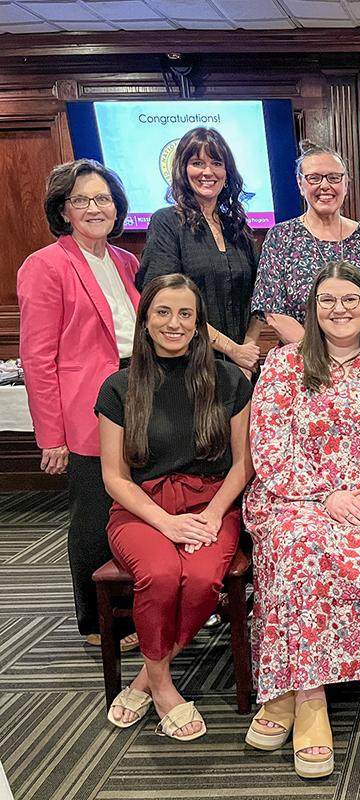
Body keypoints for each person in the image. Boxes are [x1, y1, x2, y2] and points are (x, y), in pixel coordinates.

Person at [243, 262, 360, 780]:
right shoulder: (283, 364)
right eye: (327, 300)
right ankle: (310, 697)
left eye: (350, 299)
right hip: (297, 496)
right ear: (312, 307)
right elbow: (269, 448)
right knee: (300, 549)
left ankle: (292, 689)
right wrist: (326, 495)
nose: (339, 309)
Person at [97, 274, 253, 742]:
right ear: (144, 321)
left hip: (212, 504)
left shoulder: (229, 381)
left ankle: (145, 677)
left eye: (187, 313)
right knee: (162, 575)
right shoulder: (119, 387)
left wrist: (211, 515)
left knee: (204, 577)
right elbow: (114, 477)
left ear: (200, 323)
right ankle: (164, 688)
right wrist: (165, 522)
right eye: (163, 312)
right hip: (142, 509)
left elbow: (244, 463)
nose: (175, 322)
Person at [17, 159, 140, 652]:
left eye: (104, 199)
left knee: (134, 504)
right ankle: (97, 621)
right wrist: (51, 436)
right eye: (83, 200)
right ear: (63, 210)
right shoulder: (44, 266)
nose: (95, 208)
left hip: (137, 394)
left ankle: (137, 603)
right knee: (93, 515)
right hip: (87, 408)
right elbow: (37, 358)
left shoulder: (125, 262)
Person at [137, 127, 261, 374]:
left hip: (241, 369)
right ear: (183, 170)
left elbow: (260, 296)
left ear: (227, 172)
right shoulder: (166, 222)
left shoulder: (238, 228)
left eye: (216, 162)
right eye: (197, 163)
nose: (208, 172)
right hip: (187, 366)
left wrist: (247, 350)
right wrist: (232, 350)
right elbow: (164, 300)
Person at [251, 141, 360, 343]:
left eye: (334, 178)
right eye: (314, 178)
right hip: (303, 361)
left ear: (345, 184)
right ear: (300, 184)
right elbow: (275, 313)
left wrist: (359, 358)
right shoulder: (281, 237)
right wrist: (326, 359)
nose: (325, 185)